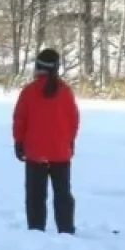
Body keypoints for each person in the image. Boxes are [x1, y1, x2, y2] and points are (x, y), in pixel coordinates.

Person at [12, 48, 80, 234]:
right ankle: (66, 231)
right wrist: (69, 141)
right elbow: (74, 120)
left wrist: (19, 142)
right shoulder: (65, 92)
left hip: (35, 154)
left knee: (35, 197)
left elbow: (20, 119)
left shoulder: (29, 91)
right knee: (63, 195)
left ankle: (36, 232)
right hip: (60, 153)